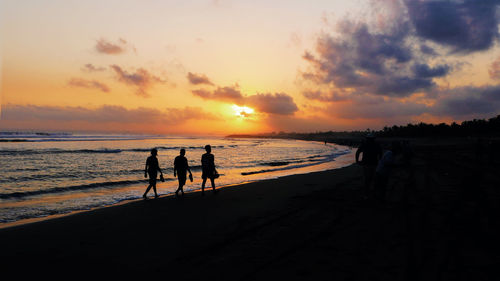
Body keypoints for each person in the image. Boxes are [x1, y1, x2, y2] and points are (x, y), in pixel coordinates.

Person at [355, 133, 383, 199]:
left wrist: (357, 160)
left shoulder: (364, 144)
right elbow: (380, 153)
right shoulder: (376, 145)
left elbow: (358, 152)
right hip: (373, 163)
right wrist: (380, 161)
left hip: (367, 163)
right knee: (372, 179)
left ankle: (367, 194)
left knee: (368, 179)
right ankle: (371, 193)